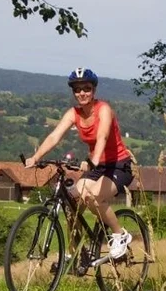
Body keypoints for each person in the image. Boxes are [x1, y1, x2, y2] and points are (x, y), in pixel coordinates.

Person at [25, 67, 135, 266]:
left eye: (86, 88)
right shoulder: (74, 113)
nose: (82, 93)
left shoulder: (104, 109)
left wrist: (94, 159)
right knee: (72, 203)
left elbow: (102, 136)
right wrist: (36, 157)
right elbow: (54, 136)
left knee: (92, 196)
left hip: (118, 165)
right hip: (98, 166)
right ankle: (76, 253)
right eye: (77, 90)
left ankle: (120, 235)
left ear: (94, 90)